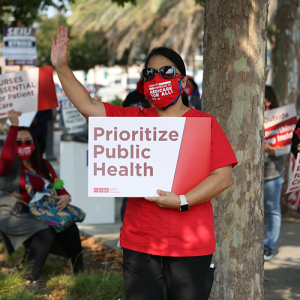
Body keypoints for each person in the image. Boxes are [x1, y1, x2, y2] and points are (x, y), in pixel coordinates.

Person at [51, 25, 237, 300]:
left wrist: (182, 200)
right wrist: (62, 67)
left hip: (190, 245)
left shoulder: (204, 123)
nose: (158, 77)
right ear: (145, 84)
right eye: (150, 73)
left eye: (167, 72)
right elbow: (88, 106)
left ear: (183, 82)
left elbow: (223, 177)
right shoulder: (132, 120)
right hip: (140, 243)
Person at [0, 110, 83, 292]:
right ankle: (31, 282)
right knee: (44, 232)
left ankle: (80, 274)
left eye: (28, 142)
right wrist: (13, 126)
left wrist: (65, 194)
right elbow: (5, 157)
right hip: (17, 214)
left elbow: (56, 181)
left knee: (70, 227)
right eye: (18, 142)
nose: (24, 145)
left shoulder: (42, 164)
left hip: (45, 212)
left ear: (34, 144)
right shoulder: (10, 165)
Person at [263, 85, 290, 261]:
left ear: (269, 100)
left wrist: (269, 150)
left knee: (272, 210)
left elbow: (286, 147)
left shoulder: (282, 121)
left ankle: (268, 247)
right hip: (251, 174)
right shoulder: (250, 116)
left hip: (273, 172)